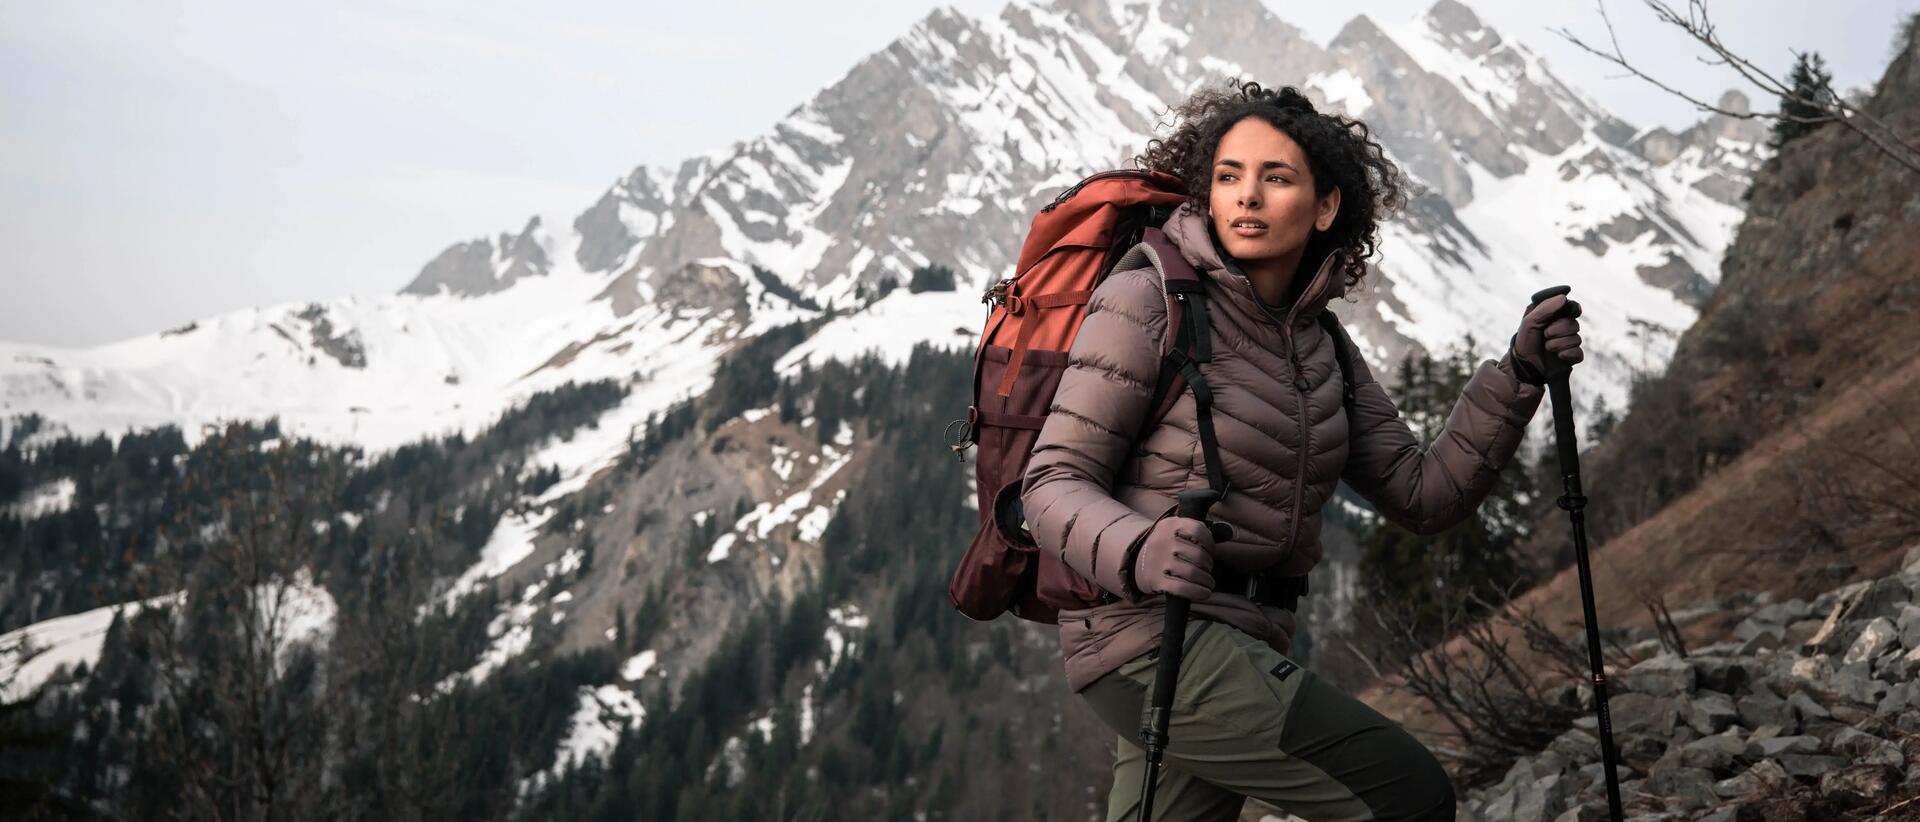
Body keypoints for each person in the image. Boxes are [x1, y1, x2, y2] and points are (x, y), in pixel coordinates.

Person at [1018, 80, 1584, 822]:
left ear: (1325, 208)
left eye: (1274, 178)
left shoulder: (1322, 348)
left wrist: (1519, 375)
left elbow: (1424, 494)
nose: (1246, 197)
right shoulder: (1149, 300)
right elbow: (1052, 481)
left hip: (1236, 640)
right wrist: (1139, 547)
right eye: (1228, 177)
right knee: (1406, 796)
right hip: (1149, 639)